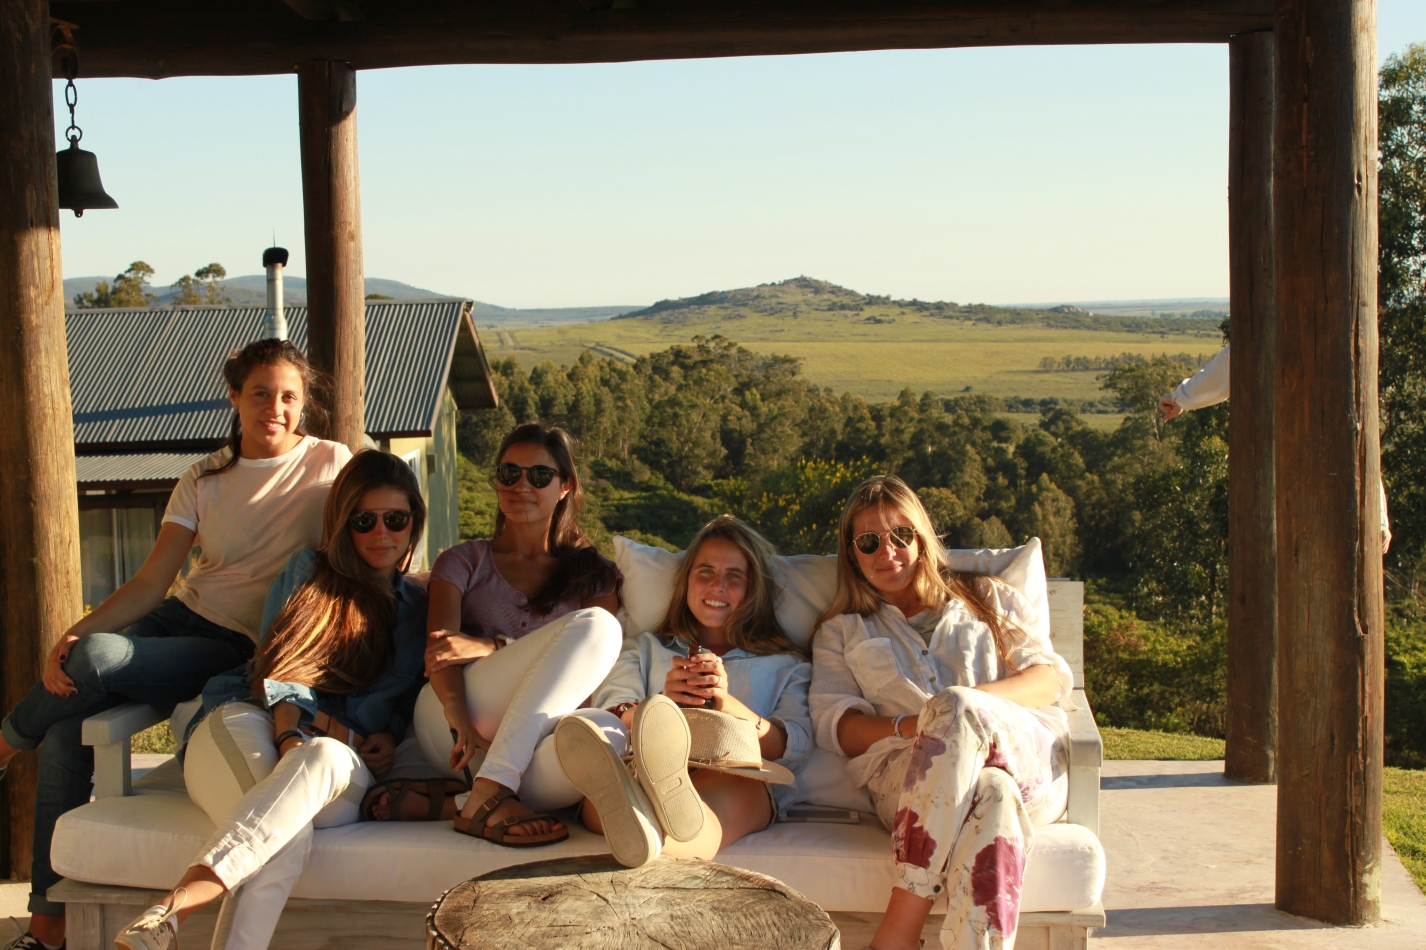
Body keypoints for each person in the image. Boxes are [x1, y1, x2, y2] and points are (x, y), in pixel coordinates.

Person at [0, 339, 349, 950]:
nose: (276, 407)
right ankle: (48, 926)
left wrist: (87, 645)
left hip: (234, 647)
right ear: (234, 396)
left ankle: (4, 742)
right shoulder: (204, 476)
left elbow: (376, 534)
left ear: (304, 404)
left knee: (96, 659)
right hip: (175, 619)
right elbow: (152, 582)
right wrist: (79, 627)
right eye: (261, 393)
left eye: (289, 396)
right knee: (65, 728)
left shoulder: (331, 463)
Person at [113, 450, 443, 950]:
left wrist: (383, 737)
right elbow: (282, 673)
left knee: (325, 757)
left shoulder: (421, 609)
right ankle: (168, 917)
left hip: (341, 768)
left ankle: (172, 908)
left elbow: (402, 707)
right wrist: (291, 734)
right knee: (285, 839)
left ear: (413, 523)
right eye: (364, 520)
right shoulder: (310, 573)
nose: (381, 533)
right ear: (343, 523)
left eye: (395, 519)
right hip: (254, 723)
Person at [808, 475, 1074, 950]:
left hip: (1022, 760)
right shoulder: (843, 630)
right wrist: (925, 727)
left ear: (922, 536)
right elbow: (839, 728)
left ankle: (900, 928)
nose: (887, 551)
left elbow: (1048, 679)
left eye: (901, 535)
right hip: (910, 780)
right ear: (852, 555)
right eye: (869, 542)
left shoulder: (987, 598)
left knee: (958, 706)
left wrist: (965, 713)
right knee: (992, 795)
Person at [556, 515, 812, 867]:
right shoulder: (641, 649)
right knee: (612, 785)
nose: (717, 586)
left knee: (718, 802)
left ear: (754, 589)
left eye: (734, 576)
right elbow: (611, 710)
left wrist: (726, 704)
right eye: (705, 571)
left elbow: (791, 745)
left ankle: (646, 827)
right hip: (642, 767)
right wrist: (661, 709)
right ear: (686, 581)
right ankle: (647, 813)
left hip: (737, 774)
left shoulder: (787, 665)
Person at [413, 422, 624, 846]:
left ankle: (474, 798)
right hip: (456, 724)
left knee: (608, 733)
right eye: (509, 473)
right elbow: (441, 651)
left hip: (525, 743)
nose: (521, 485)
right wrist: (459, 714)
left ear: (565, 486)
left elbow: (590, 679)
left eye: (539, 476)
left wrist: (494, 647)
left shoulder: (592, 574)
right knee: (600, 626)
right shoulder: (463, 560)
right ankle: (491, 789)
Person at [1159, 344, 1392, 551]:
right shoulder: (1268, 334)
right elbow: (1227, 366)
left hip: (1332, 504)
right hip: (1276, 495)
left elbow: (1360, 447)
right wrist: (1181, 399)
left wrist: (1379, 517)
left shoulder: (1340, 358)